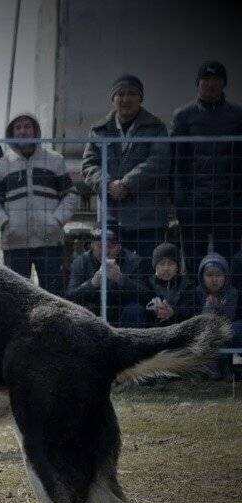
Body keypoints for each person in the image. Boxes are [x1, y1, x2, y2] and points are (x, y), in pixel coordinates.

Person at [82, 74, 172, 260]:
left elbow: (159, 161)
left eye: (132, 93)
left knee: (148, 274)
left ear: (140, 98)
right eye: (120, 94)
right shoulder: (99, 130)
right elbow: (89, 165)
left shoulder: (156, 127)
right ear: (113, 98)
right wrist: (107, 184)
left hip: (149, 221)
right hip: (112, 220)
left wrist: (126, 184)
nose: (125, 99)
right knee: (115, 278)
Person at [0, 112, 77, 294]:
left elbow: (71, 195)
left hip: (49, 240)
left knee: (54, 296)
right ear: (11, 133)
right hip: (14, 242)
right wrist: (4, 223)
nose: (23, 131)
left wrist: (56, 221)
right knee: (17, 296)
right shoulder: (1, 165)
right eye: (18, 127)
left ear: (36, 131)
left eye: (27, 126)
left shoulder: (55, 160)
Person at [172, 61, 242, 269]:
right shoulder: (183, 116)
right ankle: (193, 301)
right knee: (194, 262)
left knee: (227, 263)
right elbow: (176, 163)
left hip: (229, 204)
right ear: (198, 83)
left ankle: (227, 302)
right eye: (206, 80)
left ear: (224, 84)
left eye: (216, 80)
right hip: (194, 204)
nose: (211, 84)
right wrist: (181, 202)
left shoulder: (237, 116)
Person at [66, 228, 147, 323]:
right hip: (93, 310)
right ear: (92, 246)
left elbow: (145, 294)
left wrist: (121, 279)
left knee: (135, 310)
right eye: (100, 246)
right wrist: (92, 284)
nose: (105, 252)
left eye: (110, 246)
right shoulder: (81, 262)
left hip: (122, 309)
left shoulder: (134, 261)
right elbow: (70, 296)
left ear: (119, 247)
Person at [190, 252, 240, 379]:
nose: (214, 280)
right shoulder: (195, 293)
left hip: (228, 333)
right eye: (209, 275)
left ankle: (227, 365)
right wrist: (208, 308)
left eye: (218, 275)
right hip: (204, 336)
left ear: (226, 276)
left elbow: (231, 318)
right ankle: (210, 367)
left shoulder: (233, 293)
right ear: (202, 277)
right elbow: (195, 321)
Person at [119, 242, 194, 328]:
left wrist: (172, 312)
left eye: (170, 263)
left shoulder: (187, 284)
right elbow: (141, 298)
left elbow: (191, 310)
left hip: (179, 329)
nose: (166, 268)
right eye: (162, 264)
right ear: (155, 267)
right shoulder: (147, 283)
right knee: (132, 309)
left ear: (177, 266)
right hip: (151, 329)